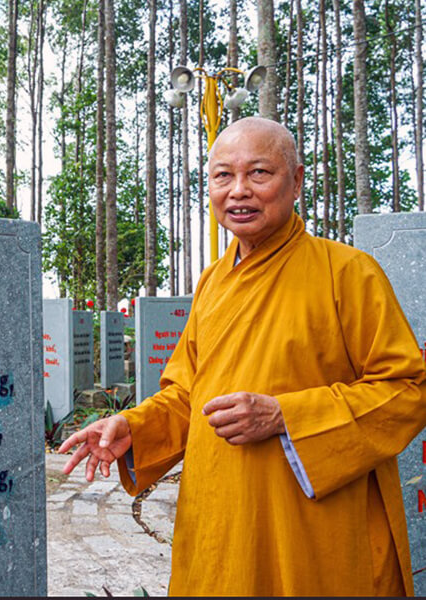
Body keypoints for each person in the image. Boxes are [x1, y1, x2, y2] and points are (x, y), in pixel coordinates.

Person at [60, 116, 426, 596]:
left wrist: (285, 416)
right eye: (222, 176)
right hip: (221, 515)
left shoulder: (348, 274)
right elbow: (190, 393)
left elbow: (406, 389)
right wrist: (133, 427)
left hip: (311, 524)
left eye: (259, 173)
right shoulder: (213, 282)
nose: (238, 191)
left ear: (295, 181)